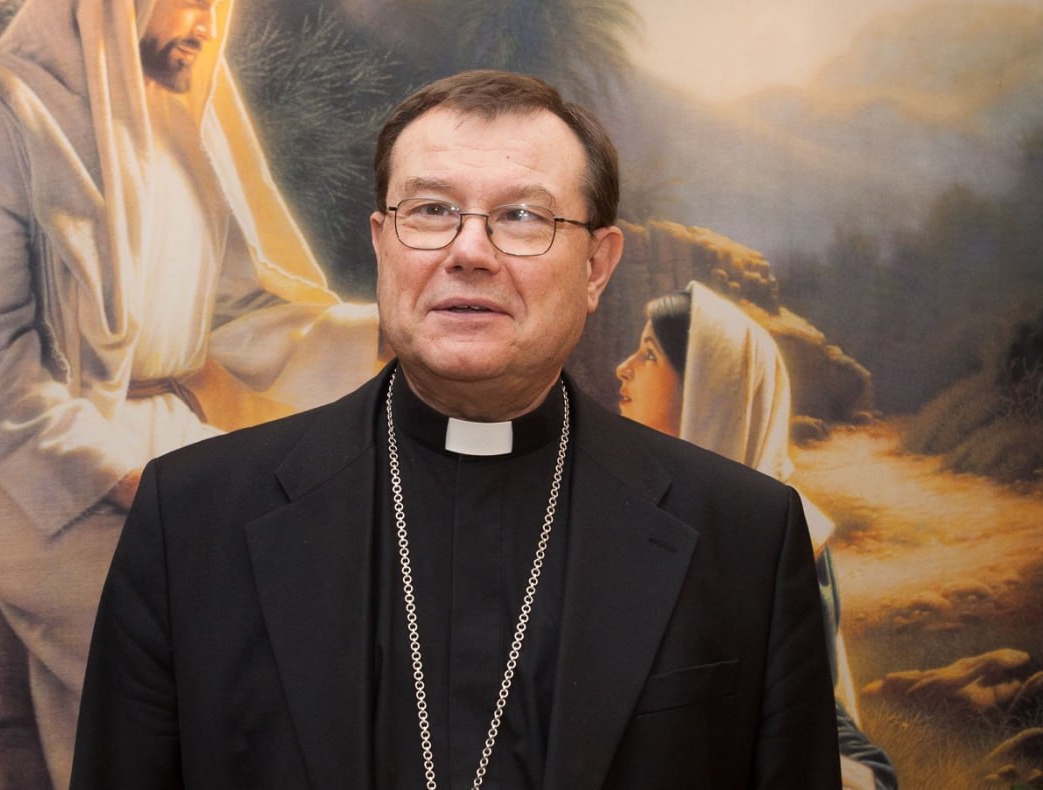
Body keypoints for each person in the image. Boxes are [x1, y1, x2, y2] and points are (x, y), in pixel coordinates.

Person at [71, 70, 841, 788]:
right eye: (432, 211)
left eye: (522, 217)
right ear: (381, 243)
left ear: (597, 266)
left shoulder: (746, 537)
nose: (469, 252)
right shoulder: (191, 519)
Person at [0, 0, 379, 786]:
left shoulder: (182, 119)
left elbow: (241, 315)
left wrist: (395, 339)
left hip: (171, 449)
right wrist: (129, 477)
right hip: (27, 480)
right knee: (202, 622)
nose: (208, 23)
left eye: (218, 1)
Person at [616, 280, 897, 790]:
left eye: (649, 354)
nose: (624, 368)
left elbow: (823, 725)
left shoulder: (789, 537)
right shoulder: (626, 511)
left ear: (708, 387)